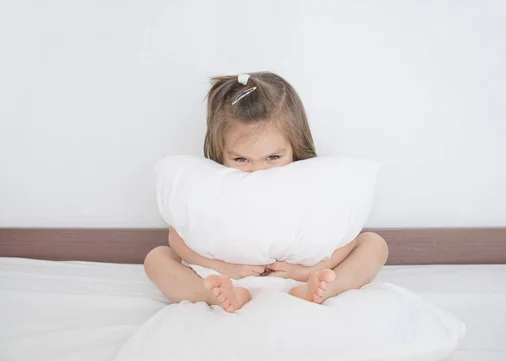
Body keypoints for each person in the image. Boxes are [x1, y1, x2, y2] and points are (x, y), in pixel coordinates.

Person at [145, 72, 389, 312]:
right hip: (224, 278)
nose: (258, 170)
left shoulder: (313, 182)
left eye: (273, 157)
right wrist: (224, 268)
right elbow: (177, 237)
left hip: (305, 276)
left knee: (374, 244)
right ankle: (211, 295)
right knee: (157, 258)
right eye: (241, 159)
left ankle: (327, 289)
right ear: (221, 151)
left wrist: (308, 271)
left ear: (296, 145)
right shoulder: (212, 185)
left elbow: (345, 237)